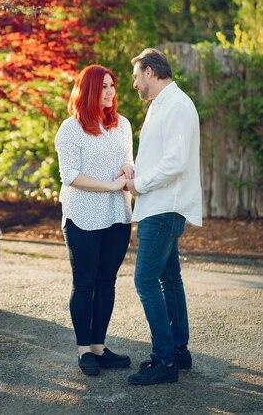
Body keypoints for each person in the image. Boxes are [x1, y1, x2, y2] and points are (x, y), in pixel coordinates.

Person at [124, 48, 202, 386]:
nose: (134, 84)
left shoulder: (177, 106)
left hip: (164, 208)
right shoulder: (160, 105)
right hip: (159, 206)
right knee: (170, 280)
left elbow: (175, 162)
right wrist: (133, 170)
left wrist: (138, 184)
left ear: (151, 72)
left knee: (145, 281)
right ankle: (178, 352)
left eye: (136, 76)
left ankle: (164, 360)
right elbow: (159, 157)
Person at [54, 64, 134, 377]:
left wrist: (127, 171)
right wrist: (111, 185)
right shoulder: (70, 128)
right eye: (103, 87)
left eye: (112, 85)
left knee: (107, 281)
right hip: (83, 214)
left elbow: (128, 159)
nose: (111, 92)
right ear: (88, 90)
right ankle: (83, 349)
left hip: (117, 214)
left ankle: (100, 347)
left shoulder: (122, 124)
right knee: (85, 282)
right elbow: (70, 176)